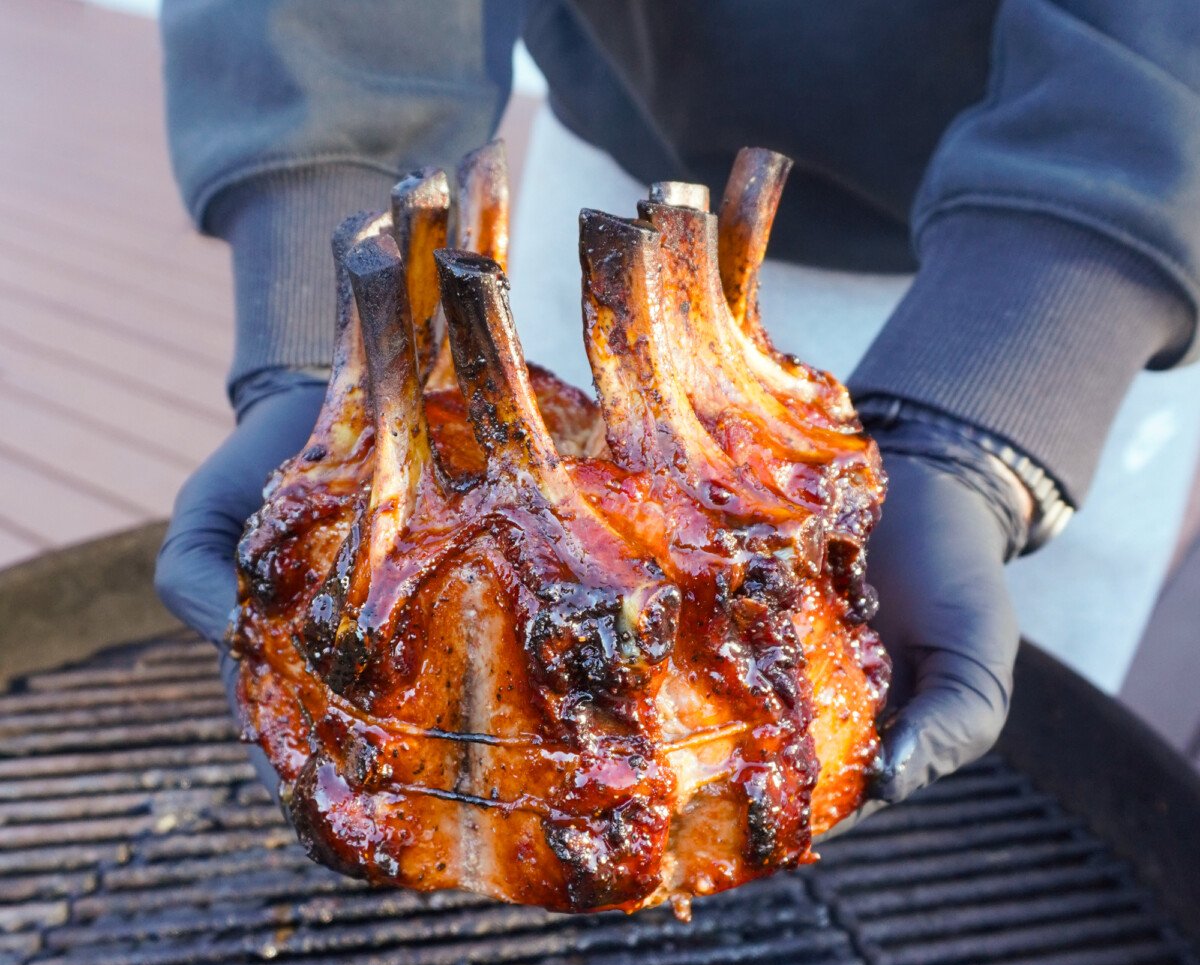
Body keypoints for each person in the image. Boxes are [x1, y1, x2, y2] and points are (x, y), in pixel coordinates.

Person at [154, 0, 1200, 814]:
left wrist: (996, 419)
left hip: (1078, 272)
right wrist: (334, 346)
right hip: (620, 189)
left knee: (993, 809)